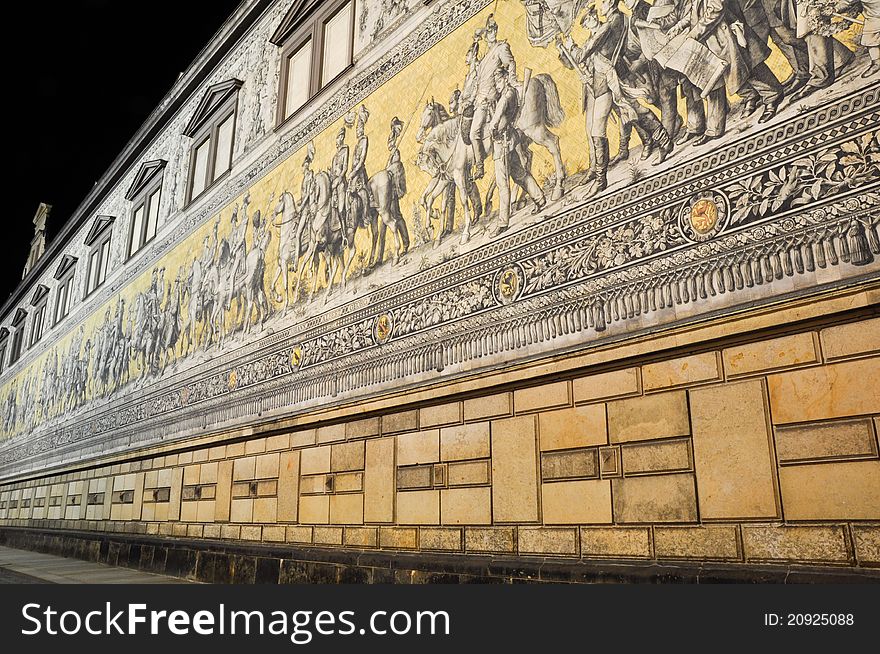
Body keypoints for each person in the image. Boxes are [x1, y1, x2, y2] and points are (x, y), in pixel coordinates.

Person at [488, 67, 546, 236]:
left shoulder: (505, 98)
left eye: (498, 81)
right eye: (495, 82)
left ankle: (503, 223)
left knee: (502, 183)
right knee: (520, 174)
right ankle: (540, 198)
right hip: (511, 140)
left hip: (502, 144)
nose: (496, 85)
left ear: (506, 78)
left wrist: (492, 130)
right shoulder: (512, 93)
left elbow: (494, 122)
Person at [464, 15, 517, 180]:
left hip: (492, 98)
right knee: (472, 134)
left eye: (494, 29)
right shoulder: (484, 58)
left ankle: (482, 164)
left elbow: (511, 64)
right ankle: (480, 166)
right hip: (480, 101)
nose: (492, 32)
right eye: (489, 31)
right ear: (485, 36)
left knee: (477, 132)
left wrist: (512, 80)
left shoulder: (501, 47)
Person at [836, 0, 880, 78]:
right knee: (870, 39)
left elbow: (847, 2)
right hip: (872, 17)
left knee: (870, 38)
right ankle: (877, 62)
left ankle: (877, 62)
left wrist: (835, 9)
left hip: (874, 16)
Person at [330, 127, 349, 218]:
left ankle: (344, 227)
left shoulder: (345, 150)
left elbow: (345, 167)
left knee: (341, 208)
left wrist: (340, 178)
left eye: (342, 137)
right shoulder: (334, 157)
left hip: (341, 181)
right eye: (339, 137)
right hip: (334, 183)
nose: (340, 139)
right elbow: (332, 172)